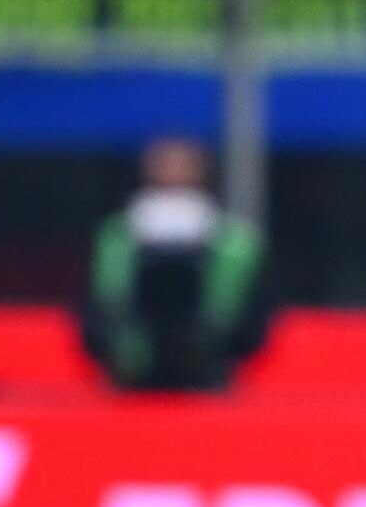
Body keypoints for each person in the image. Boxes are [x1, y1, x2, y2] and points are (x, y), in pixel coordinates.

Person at [82, 137, 269, 391]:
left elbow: (255, 312)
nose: (174, 173)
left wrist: (218, 345)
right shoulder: (115, 238)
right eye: (165, 164)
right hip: (130, 379)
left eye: (184, 164)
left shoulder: (234, 243)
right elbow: (94, 306)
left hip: (208, 376)